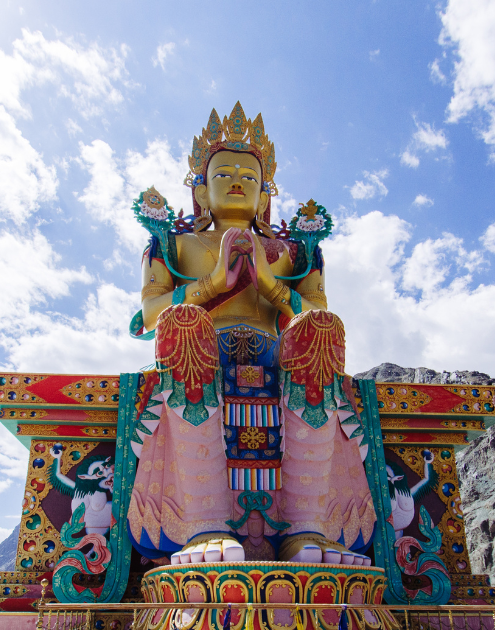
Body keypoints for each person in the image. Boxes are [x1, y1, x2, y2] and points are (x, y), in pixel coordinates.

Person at [127, 103, 375, 567]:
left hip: (278, 356)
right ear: (201, 191)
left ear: (264, 197)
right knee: (181, 323)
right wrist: (214, 283)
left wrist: (269, 283)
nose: (237, 180)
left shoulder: (291, 253)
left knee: (320, 331)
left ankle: (305, 528)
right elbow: (151, 314)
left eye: (249, 175)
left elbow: (317, 311)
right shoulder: (174, 245)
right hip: (197, 352)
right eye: (223, 174)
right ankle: (205, 524)